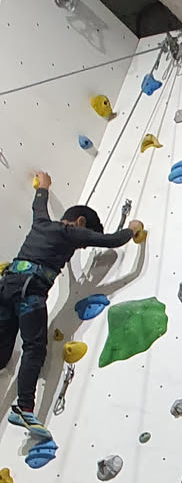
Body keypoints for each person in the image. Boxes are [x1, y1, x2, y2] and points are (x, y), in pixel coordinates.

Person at [1, 173, 139, 425]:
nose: (81, 245)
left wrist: (43, 186)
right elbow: (111, 240)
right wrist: (132, 229)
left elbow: (39, 204)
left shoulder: (41, 223)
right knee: (34, 347)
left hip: (6, 287)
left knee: (2, 355)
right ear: (80, 222)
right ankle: (24, 408)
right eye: (84, 241)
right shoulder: (72, 233)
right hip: (28, 293)